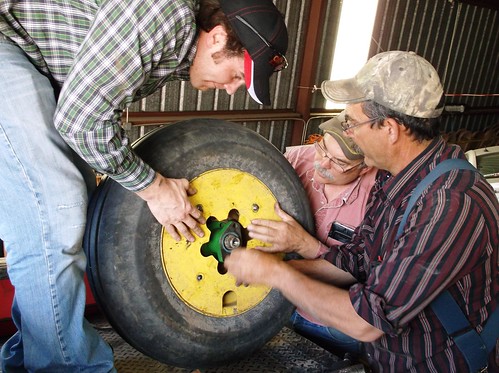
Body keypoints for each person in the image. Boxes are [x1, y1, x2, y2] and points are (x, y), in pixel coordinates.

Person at [0, 0, 288, 371]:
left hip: (34, 61)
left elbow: (97, 108)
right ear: (218, 37)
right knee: (56, 217)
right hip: (7, 42)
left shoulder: (179, 53)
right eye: (236, 75)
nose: (232, 90)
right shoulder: (163, 13)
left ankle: (29, 360)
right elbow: (80, 121)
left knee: (76, 216)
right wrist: (153, 187)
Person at [225, 51, 499, 372]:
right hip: (387, 359)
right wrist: (281, 264)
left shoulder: (449, 204)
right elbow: (358, 258)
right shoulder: (392, 175)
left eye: (353, 122)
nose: (350, 133)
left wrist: (276, 275)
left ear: (391, 129)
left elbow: (368, 322)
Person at [267, 112, 376, 357]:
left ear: (365, 165)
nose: (322, 164)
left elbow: (365, 273)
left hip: (331, 325)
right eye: (323, 148)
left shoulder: (377, 198)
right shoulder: (294, 160)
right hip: (278, 307)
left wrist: (307, 245)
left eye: (339, 162)